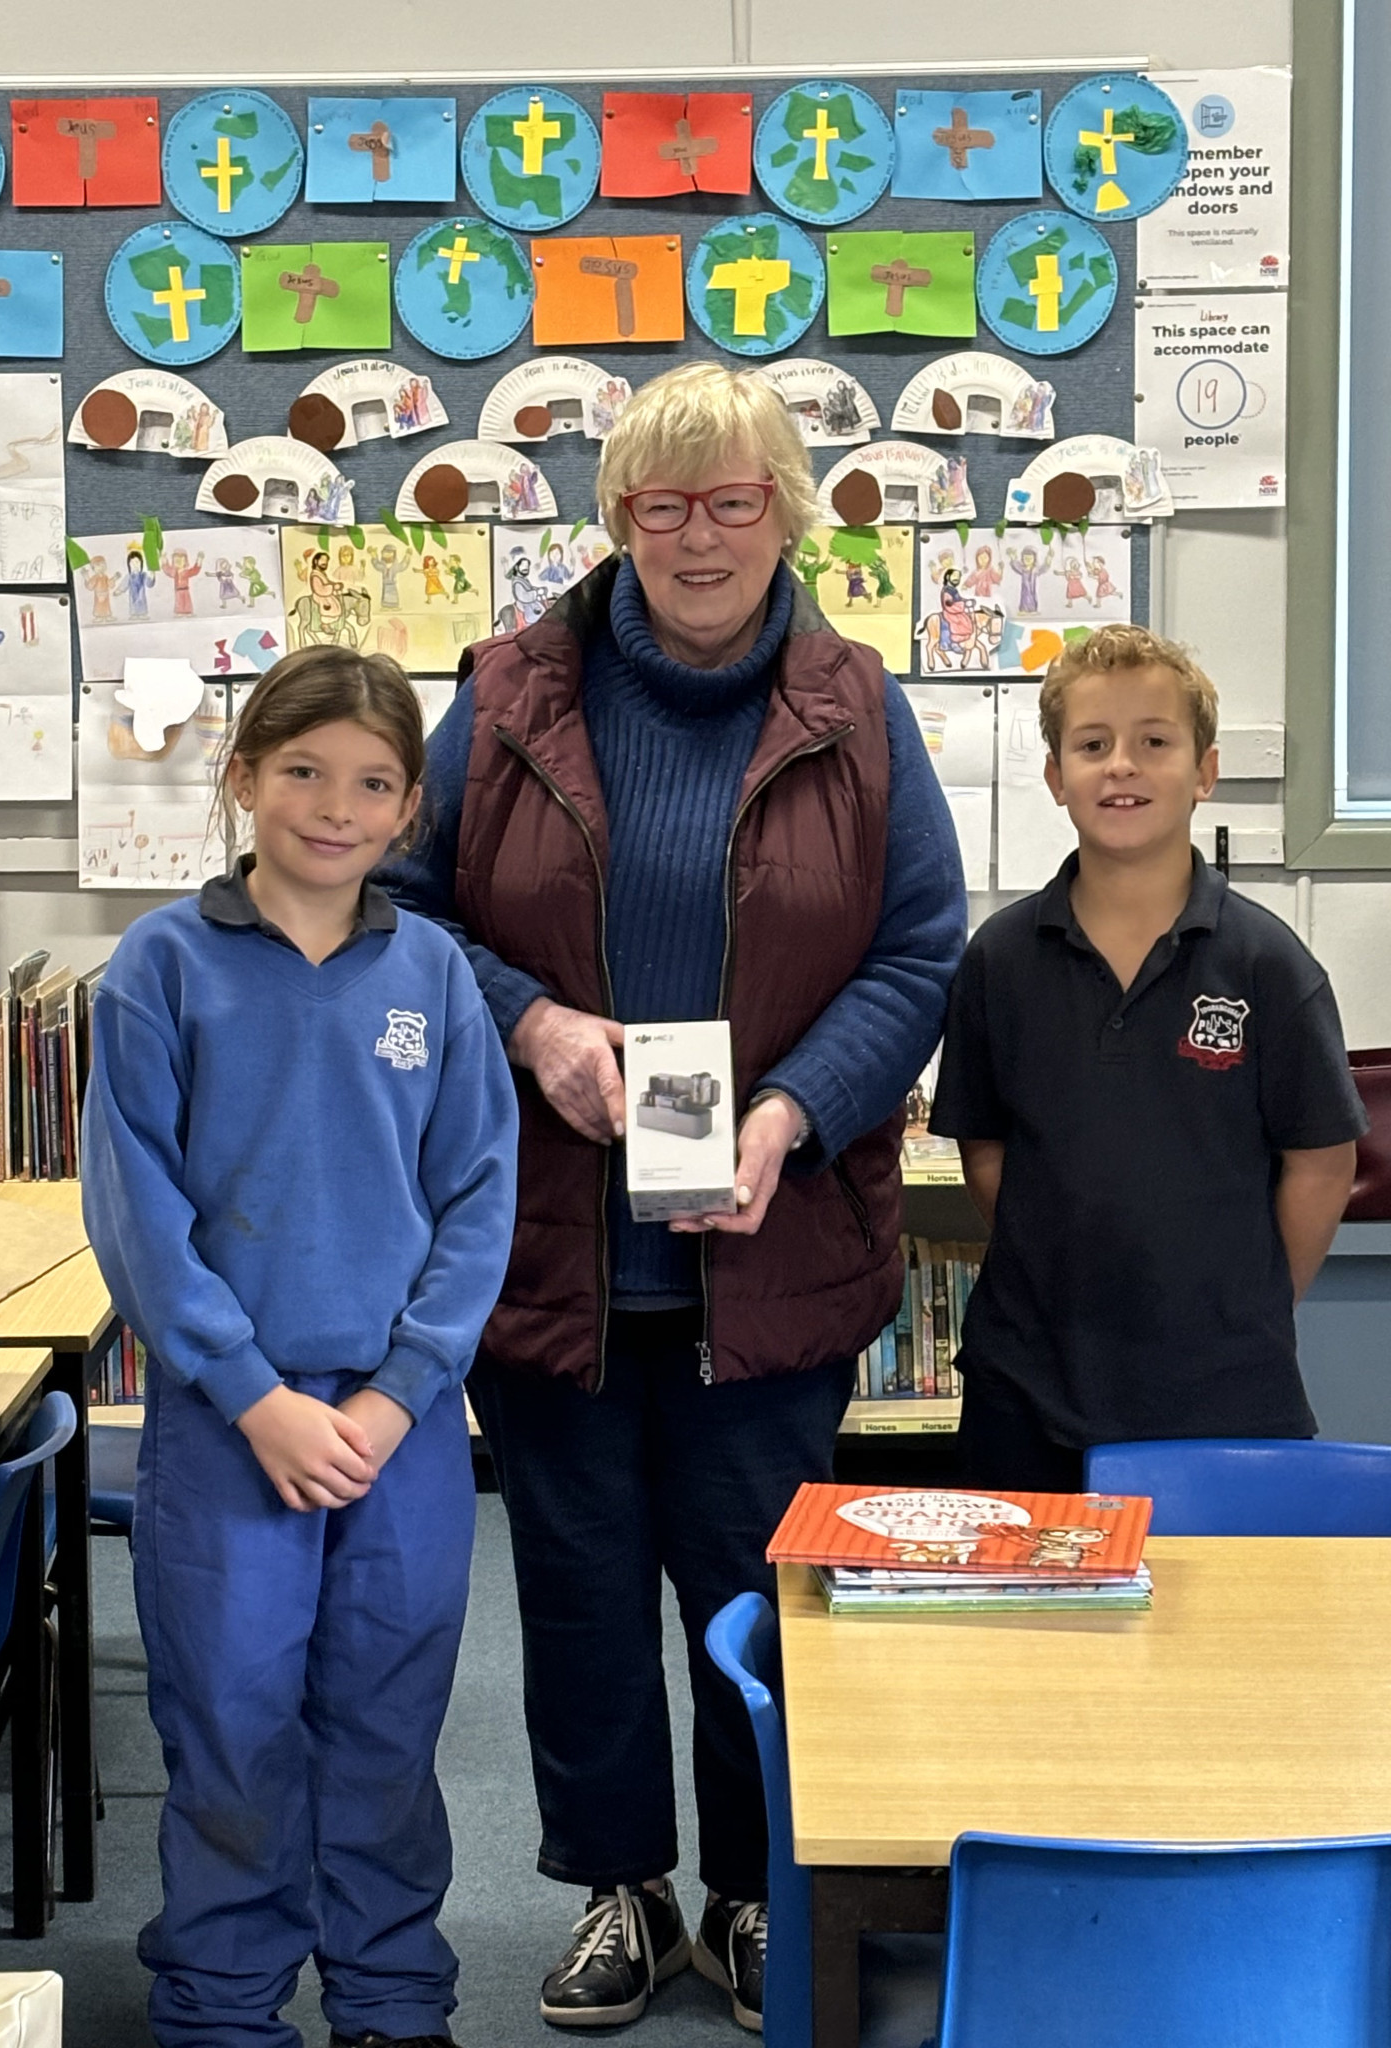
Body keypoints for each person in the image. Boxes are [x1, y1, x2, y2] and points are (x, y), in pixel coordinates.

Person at [388, 361, 966, 2032]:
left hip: (770, 1250)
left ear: (784, 508)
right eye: (662, 501)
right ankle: (620, 1889)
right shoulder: (505, 696)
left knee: (754, 1598)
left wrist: (791, 1111)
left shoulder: (856, 705)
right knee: (573, 1588)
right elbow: (409, 904)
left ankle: (754, 1891)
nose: (698, 534)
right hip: (549, 1249)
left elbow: (915, 949)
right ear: (616, 515)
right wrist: (531, 1023)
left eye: (731, 499)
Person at [80, 647, 519, 2048]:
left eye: (375, 782)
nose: (337, 806)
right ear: (245, 778)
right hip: (230, 1427)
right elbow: (136, 1208)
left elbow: (477, 1197)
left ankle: (392, 1997)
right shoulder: (163, 965)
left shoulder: (435, 974)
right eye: (304, 771)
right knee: (232, 1723)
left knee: (387, 1723)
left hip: (399, 1436)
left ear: (409, 809)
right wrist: (253, 1393)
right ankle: (220, 2005)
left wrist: (401, 1396)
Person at [930, 624, 1367, 1492]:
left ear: (1203, 771)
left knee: (1218, 1625)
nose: (1121, 766)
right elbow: (984, 1146)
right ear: (1056, 778)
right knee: (1029, 1622)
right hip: (1030, 1387)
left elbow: (1321, 1163)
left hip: (1224, 1390)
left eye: (1154, 742)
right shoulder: (1000, 960)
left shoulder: (1268, 966)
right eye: (1093, 746)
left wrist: (1241, 1305)